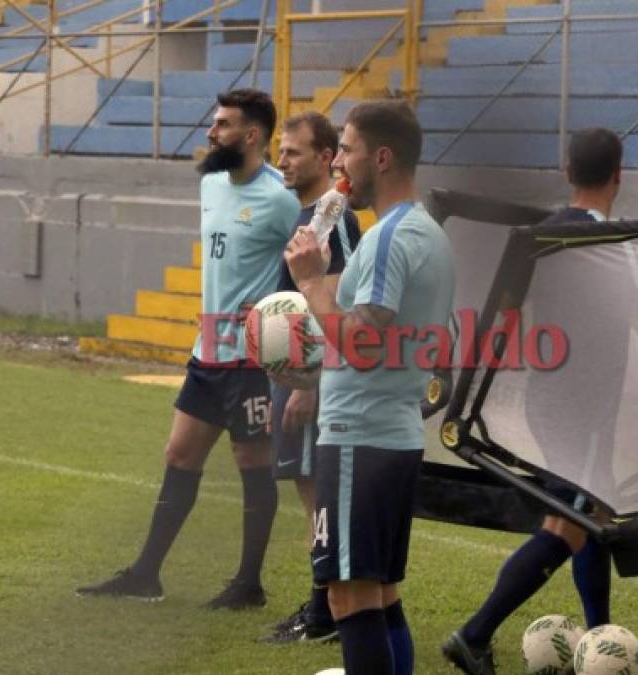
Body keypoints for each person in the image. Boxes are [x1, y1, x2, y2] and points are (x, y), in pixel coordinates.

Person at [76, 89, 301, 609]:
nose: (210, 132)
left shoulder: (281, 199)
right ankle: (145, 575)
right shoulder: (213, 185)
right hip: (208, 353)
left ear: (251, 136)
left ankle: (249, 584)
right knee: (179, 454)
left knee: (251, 461)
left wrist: (274, 318)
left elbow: (302, 271)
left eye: (222, 124)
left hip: (250, 357)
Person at [441, 127, 624, 675]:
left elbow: (507, 311)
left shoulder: (540, 233)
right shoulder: (617, 242)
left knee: (590, 515)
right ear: (620, 173)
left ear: (566, 170)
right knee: (568, 525)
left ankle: (599, 639)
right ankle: (474, 634)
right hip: (584, 406)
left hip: (548, 397)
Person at [285, 101, 455, 675]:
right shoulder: (427, 232)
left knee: (348, 598)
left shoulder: (388, 239)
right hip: (392, 431)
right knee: (380, 595)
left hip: (361, 435)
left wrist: (310, 282)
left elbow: (361, 340)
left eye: (349, 150)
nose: (340, 165)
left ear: (381, 157)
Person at [263, 111, 362, 644]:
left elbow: (338, 294)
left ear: (326, 157)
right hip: (293, 375)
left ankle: (325, 614)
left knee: (317, 499)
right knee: (310, 495)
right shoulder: (312, 213)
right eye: (282, 150)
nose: (283, 159)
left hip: (310, 380)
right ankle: (324, 606)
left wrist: (307, 382)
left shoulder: (334, 216)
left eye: (294, 151)